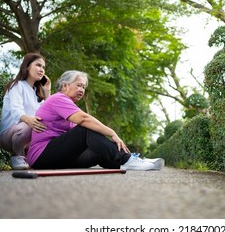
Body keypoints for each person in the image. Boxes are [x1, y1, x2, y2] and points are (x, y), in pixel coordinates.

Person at [27, 70, 164, 171]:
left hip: (57, 157)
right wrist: (112, 133)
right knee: (85, 128)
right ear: (64, 86)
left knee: (97, 149)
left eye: (83, 87)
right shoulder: (58, 98)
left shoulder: (68, 106)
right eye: (79, 85)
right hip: (41, 156)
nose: (82, 89)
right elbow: (84, 120)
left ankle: (128, 162)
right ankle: (128, 160)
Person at [0, 52, 51, 170]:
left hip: (27, 134)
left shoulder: (37, 92)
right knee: (30, 125)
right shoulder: (16, 85)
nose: (41, 69)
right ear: (27, 67)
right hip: (9, 135)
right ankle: (18, 157)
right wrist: (31, 121)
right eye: (38, 65)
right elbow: (16, 111)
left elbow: (48, 113)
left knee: (48, 124)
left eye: (43, 67)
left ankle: (33, 157)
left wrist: (47, 91)